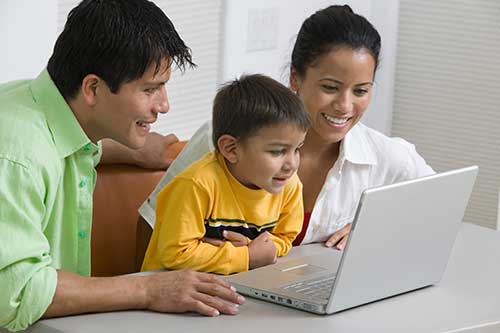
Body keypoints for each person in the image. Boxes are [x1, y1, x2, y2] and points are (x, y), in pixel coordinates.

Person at [0, 1, 244, 331]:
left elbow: (61, 145)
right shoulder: (17, 158)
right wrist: (147, 288)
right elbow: (15, 293)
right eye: (150, 89)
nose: (164, 105)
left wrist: (131, 150)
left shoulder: (38, 106)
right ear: (93, 88)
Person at [138, 4, 434, 252]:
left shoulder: (387, 157)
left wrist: (377, 225)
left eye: (360, 91)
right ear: (295, 77)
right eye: (330, 87)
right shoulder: (229, 137)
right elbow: (151, 227)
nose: (344, 106)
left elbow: (441, 209)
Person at [142, 74, 310, 275]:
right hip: (167, 291)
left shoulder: (290, 186)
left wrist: (253, 248)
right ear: (231, 149)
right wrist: (247, 256)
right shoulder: (196, 184)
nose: (291, 164)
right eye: (277, 151)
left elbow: (284, 237)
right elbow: (176, 254)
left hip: (230, 285)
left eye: (297, 149)